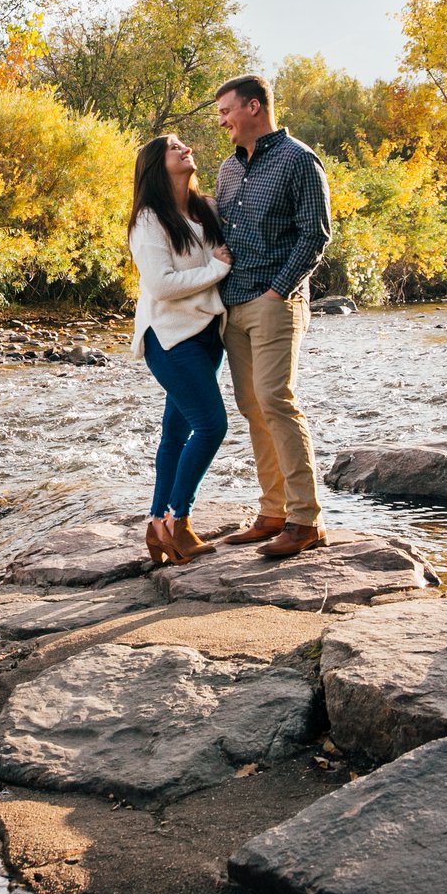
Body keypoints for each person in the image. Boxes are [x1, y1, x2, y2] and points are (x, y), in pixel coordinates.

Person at [213, 74, 331, 558]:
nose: (222, 121)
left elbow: (316, 234)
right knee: (252, 407)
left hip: (274, 302)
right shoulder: (226, 169)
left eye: (226, 111)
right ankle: (273, 512)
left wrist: (276, 291)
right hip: (231, 304)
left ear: (255, 108)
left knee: (275, 400)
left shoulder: (299, 161)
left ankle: (306, 520)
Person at [129, 134, 233, 565]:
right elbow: (162, 285)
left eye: (183, 143)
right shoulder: (149, 220)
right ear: (157, 164)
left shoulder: (204, 208)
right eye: (174, 146)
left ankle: (156, 523)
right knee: (211, 426)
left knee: (175, 432)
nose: (185, 147)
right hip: (170, 338)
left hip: (209, 332)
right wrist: (217, 267)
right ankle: (178, 519)